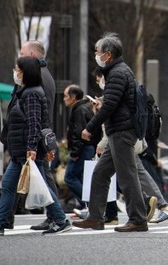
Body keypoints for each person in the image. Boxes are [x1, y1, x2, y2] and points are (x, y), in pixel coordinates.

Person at [74, 32, 148, 232]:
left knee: (127, 175)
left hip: (122, 131)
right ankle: (96, 217)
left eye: (98, 52)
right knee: (100, 174)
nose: (96, 55)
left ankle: (138, 219)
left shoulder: (117, 73)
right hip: (119, 129)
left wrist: (90, 127)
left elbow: (110, 106)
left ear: (107, 55)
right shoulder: (118, 71)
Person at [0, 57, 72, 235]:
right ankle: (1, 222)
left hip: (27, 151)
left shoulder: (31, 93)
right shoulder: (26, 92)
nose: (15, 72)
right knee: (9, 186)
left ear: (26, 72)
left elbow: (35, 123)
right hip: (22, 151)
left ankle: (61, 219)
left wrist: (32, 148)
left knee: (39, 186)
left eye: (18, 69)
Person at [63, 84, 98, 210]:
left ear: (73, 97)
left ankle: (88, 203)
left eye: (66, 96)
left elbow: (79, 132)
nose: (64, 99)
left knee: (70, 177)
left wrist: (74, 152)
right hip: (86, 148)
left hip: (83, 149)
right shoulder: (83, 108)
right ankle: (87, 206)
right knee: (79, 177)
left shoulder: (79, 110)